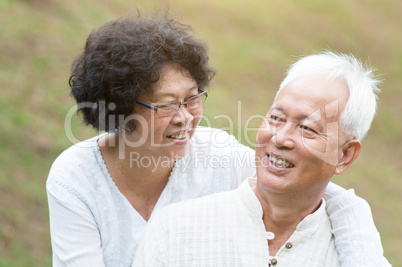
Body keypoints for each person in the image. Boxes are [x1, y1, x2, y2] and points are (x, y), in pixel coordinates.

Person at [46, 10, 385, 267]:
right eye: (167, 105)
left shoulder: (216, 154)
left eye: (192, 98)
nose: (186, 117)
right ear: (120, 107)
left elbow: (309, 180)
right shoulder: (76, 178)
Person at [132, 52, 391, 267]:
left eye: (307, 129)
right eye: (276, 118)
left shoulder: (354, 254)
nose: (280, 138)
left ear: (344, 155)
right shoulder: (176, 230)